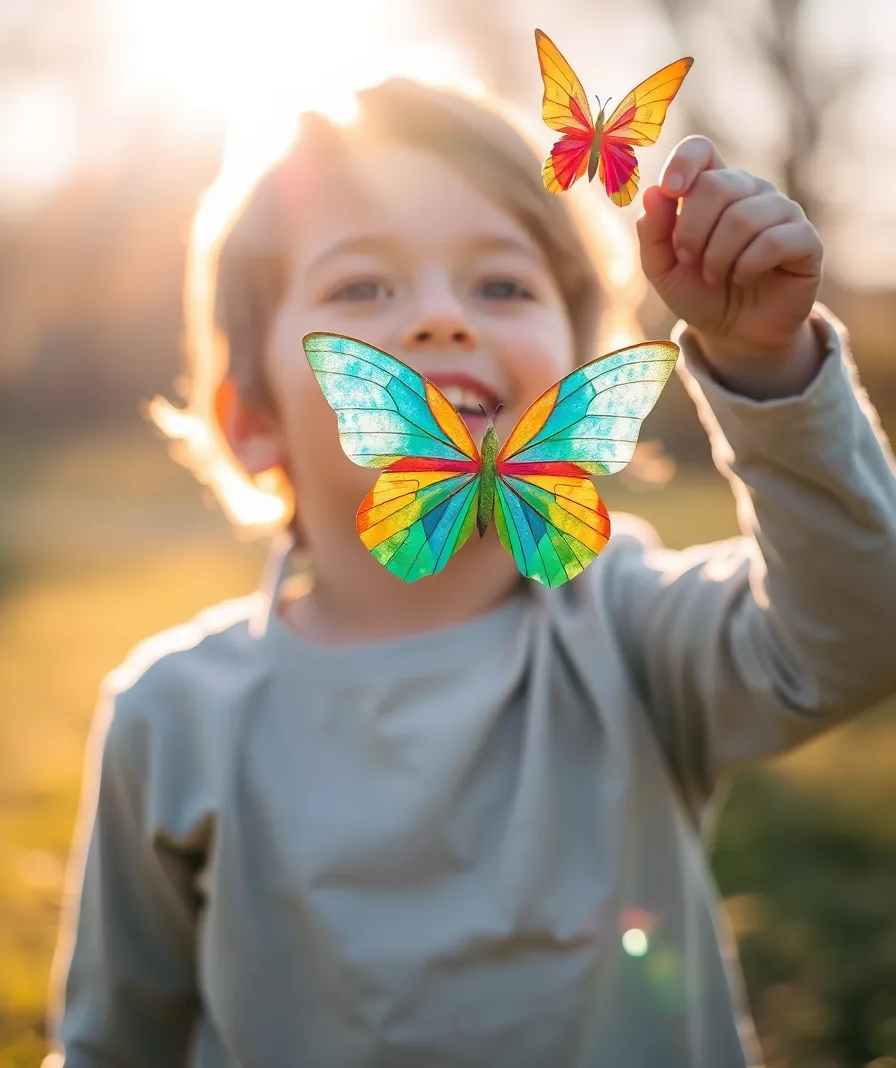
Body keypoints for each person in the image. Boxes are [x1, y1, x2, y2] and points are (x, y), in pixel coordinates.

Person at [44, 78, 896, 1068]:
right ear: (252, 420)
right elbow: (114, 1043)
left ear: (578, 381)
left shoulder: (628, 628)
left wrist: (764, 365)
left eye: (501, 285)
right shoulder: (171, 715)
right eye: (362, 287)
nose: (441, 319)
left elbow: (862, 628)